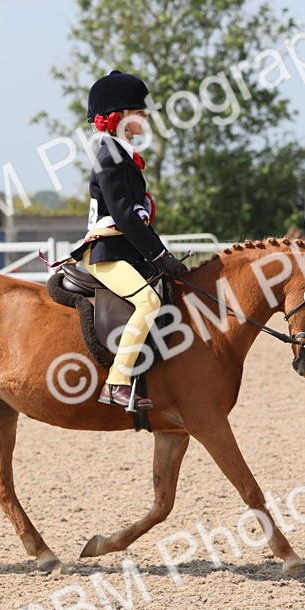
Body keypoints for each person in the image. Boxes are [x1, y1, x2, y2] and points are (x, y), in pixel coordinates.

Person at [69, 70, 189, 411]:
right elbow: (124, 217)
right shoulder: (110, 158)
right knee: (148, 303)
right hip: (106, 253)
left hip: (124, 250)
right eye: (141, 112)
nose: (146, 117)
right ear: (119, 117)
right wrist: (161, 254)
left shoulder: (124, 157)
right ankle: (117, 383)